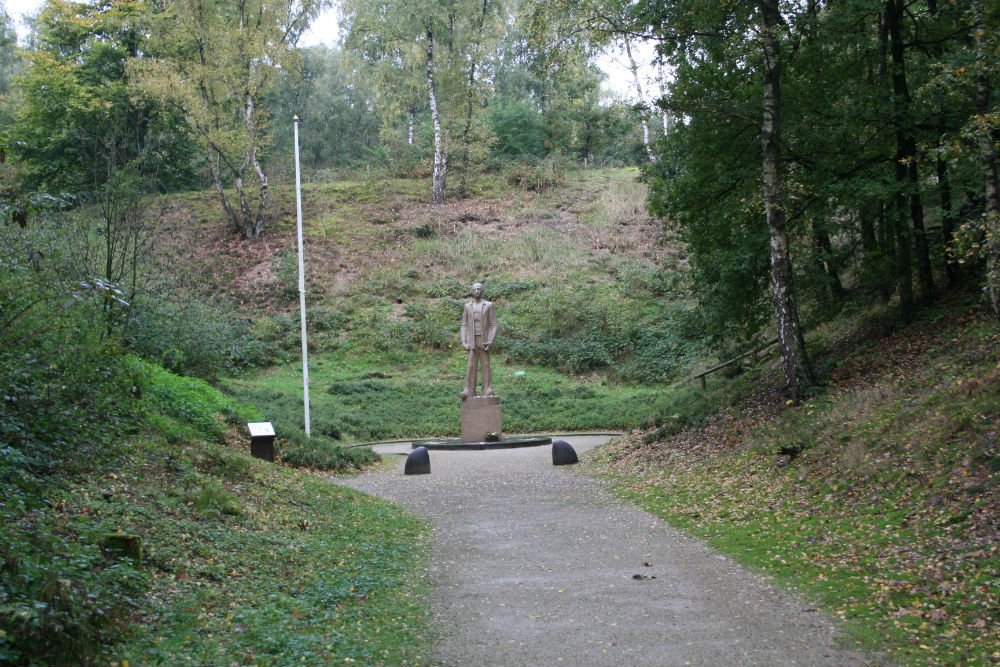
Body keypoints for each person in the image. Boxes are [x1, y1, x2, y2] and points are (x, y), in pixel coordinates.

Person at [460, 282, 497, 399]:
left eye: (479, 289)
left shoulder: (489, 305)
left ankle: (487, 389)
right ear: (471, 291)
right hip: (472, 340)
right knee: (471, 365)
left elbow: (494, 324)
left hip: (484, 340)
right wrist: (464, 341)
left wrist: (491, 340)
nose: (476, 291)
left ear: (482, 291)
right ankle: (469, 390)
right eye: (474, 289)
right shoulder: (467, 307)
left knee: (486, 365)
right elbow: (464, 325)